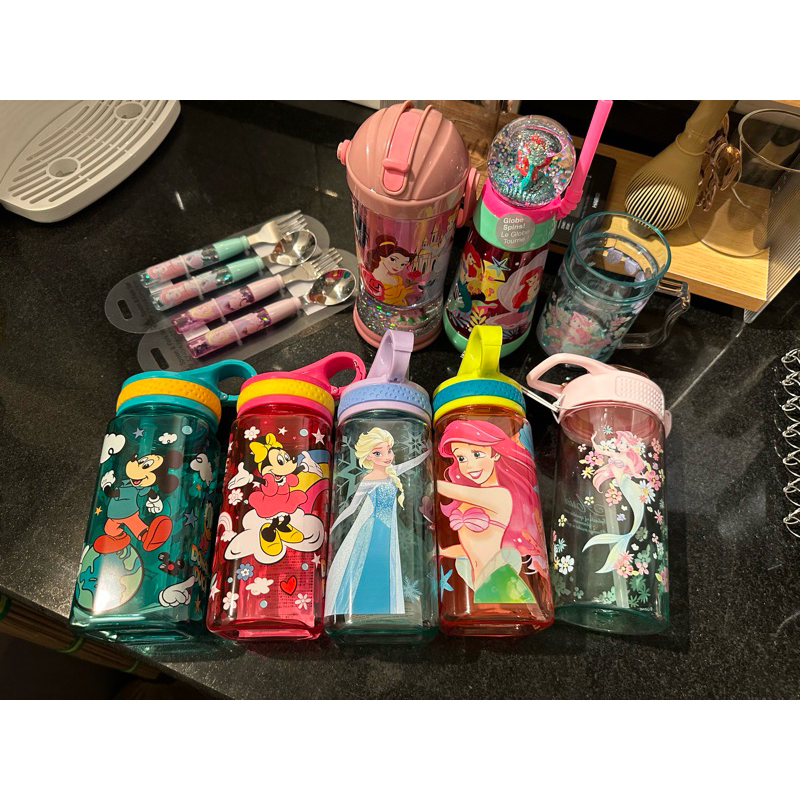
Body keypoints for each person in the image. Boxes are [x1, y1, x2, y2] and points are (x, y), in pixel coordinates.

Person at [437, 420, 547, 604]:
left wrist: (423, 474)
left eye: (477, 454)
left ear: (495, 453)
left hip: (499, 581)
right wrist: (441, 551)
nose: (469, 466)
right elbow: (473, 549)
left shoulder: (501, 495)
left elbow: (443, 488)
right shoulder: (467, 502)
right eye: (461, 458)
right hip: (479, 583)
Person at [325, 428, 429, 616]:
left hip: (388, 529)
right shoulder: (368, 479)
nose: (387, 456)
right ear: (369, 456)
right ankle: (363, 608)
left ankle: (386, 609)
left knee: (386, 566)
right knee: (370, 564)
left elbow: (414, 462)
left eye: (389, 450)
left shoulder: (392, 472)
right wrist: (334, 525)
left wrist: (430, 450)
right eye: (378, 453)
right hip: (373, 529)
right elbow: (352, 507)